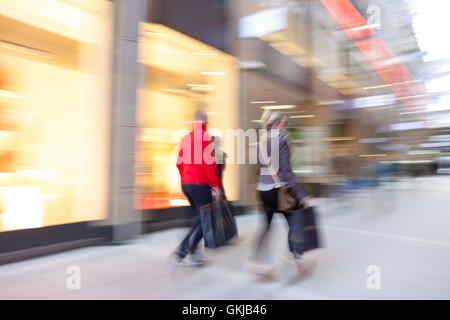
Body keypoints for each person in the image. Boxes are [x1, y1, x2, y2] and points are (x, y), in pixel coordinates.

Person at [249, 111, 310, 279]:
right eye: (283, 124)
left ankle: (256, 263)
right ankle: (294, 263)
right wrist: (301, 194)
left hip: (263, 190)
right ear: (276, 124)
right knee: (295, 222)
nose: (284, 127)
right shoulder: (281, 139)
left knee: (266, 226)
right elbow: (286, 171)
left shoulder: (262, 140)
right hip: (280, 190)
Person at [173, 110, 223, 266]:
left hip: (187, 184)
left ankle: (190, 250)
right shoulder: (206, 138)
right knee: (206, 218)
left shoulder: (186, 137)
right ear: (205, 122)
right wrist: (216, 186)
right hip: (200, 184)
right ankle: (186, 248)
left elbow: (179, 163)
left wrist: (185, 179)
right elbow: (209, 165)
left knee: (200, 217)